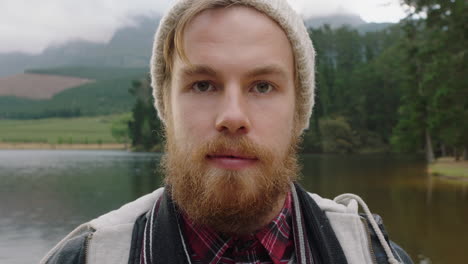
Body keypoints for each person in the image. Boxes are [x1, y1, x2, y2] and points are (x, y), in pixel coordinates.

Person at [41, 0, 413, 263]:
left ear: (299, 111)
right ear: (165, 108)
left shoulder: (372, 254)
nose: (232, 117)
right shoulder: (88, 258)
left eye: (262, 86)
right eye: (203, 85)